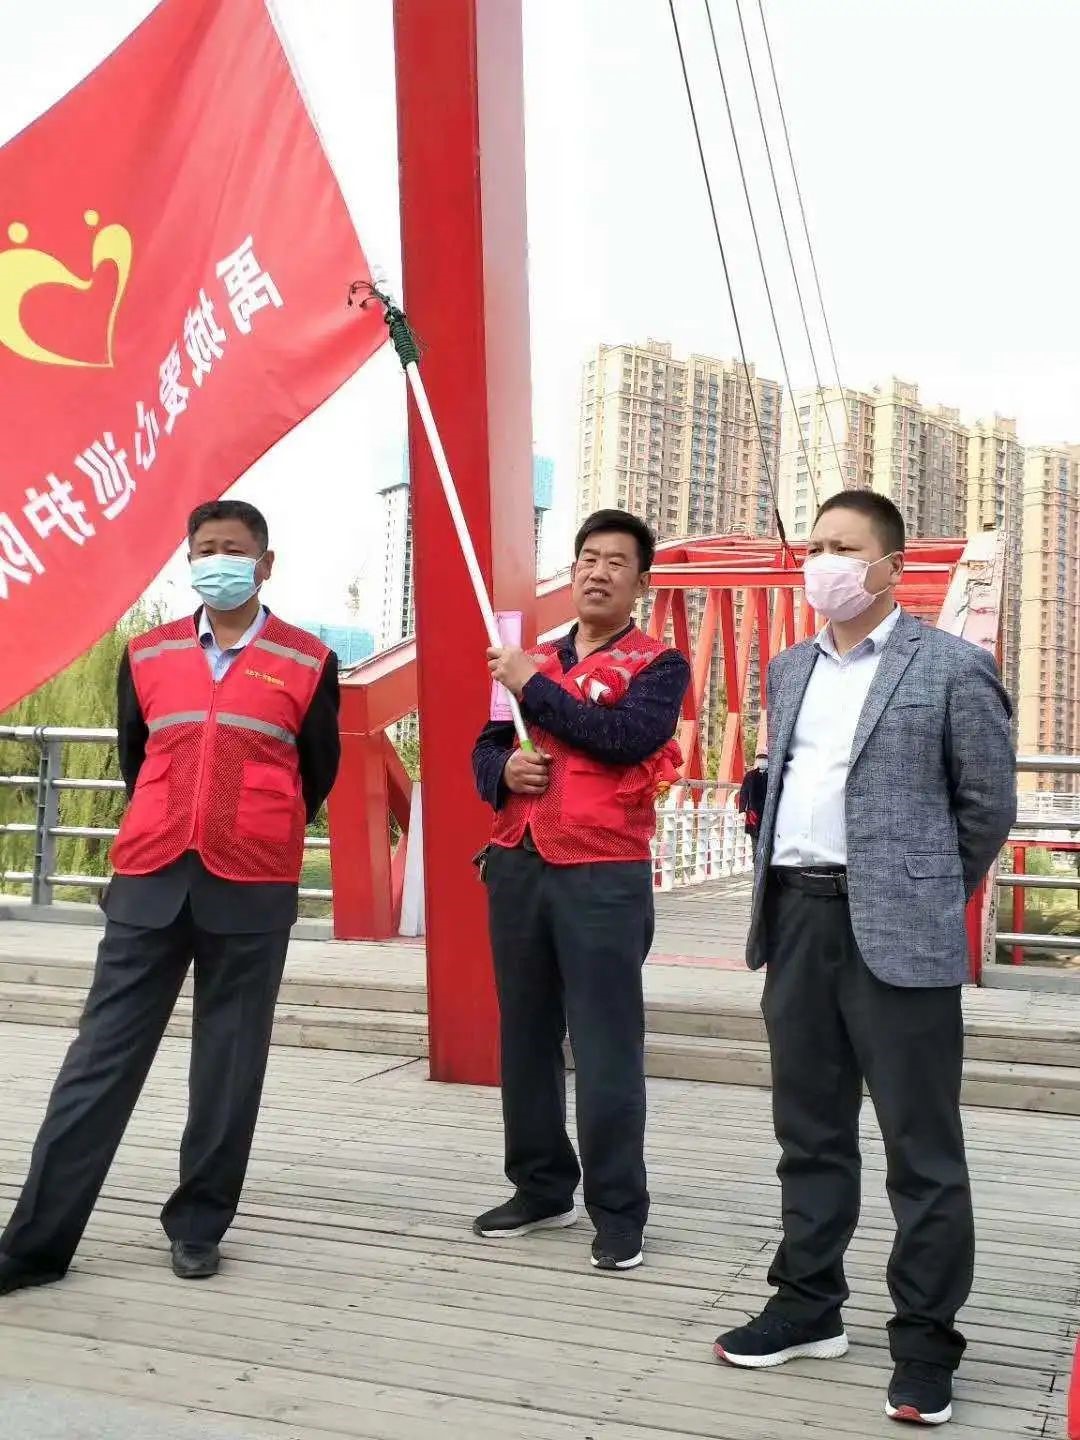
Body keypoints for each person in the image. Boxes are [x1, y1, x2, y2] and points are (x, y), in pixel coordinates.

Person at [712, 492, 1016, 1427]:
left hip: (897, 933)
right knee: (809, 1134)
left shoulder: (953, 667)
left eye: (844, 548)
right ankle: (808, 1304)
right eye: (815, 546)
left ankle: (925, 1342)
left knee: (922, 1149)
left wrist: (921, 893)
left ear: (891, 567)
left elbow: (986, 807)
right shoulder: (790, 668)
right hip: (796, 921)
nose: (824, 563)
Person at [0, 499, 340, 1294]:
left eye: (234, 549)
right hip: (150, 880)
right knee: (99, 1059)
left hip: (251, 886)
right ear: (190, 562)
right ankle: (35, 1245)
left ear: (265, 564)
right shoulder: (147, 653)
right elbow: (135, 756)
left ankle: (198, 1226)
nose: (218, 561)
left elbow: (316, 772)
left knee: (229, 1065)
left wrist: (248, 823)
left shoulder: (308, 660)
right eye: (205, 549)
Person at [472, 509, 690, 1272]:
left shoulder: (658, 665)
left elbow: (625, 739)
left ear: (641, 582)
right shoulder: (529, 658)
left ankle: (619, 1211)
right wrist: (503, 770)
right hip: (518, 862)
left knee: (605, 1045)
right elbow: (485, 748)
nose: (598, 573)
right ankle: (540, 1188)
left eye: (616, 562)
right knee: (525, 1035)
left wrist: (532, 686)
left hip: (603, 872)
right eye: (587, 559)